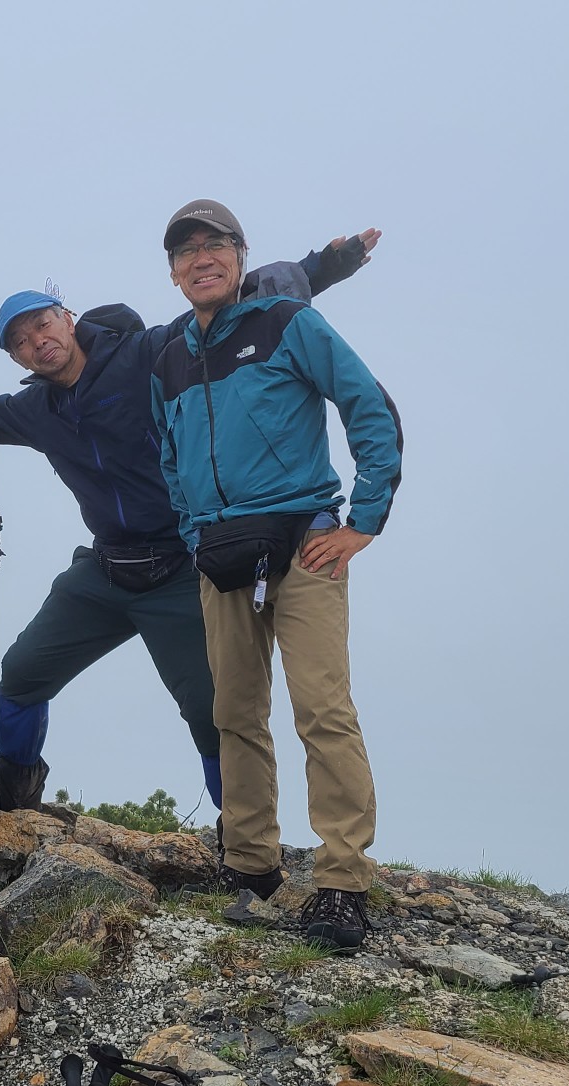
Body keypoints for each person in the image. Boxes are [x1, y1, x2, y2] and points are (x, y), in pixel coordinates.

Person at [0, 232, 376, 821]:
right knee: (23, 672)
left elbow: (240, 300)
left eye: (43, 324)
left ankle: (241, 836)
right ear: (16, 357)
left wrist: (328, 265)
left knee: (211, 710)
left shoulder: (147, 354)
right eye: (21, 342)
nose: (37, 342)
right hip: (105, 569)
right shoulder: (32, 410)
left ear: (67, 318)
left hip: (182, 568)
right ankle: (14, 794)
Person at [147, 200, 402, 952]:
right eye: (185, 250)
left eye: (215, 244)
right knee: (232, 713)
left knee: (322, 709)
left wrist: (365, 518)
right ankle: (253, 868)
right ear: (173, 270)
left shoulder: (287, 322)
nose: (202, 258)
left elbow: (369, 406)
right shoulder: (168, 358)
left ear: (240, 254)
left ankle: (341, 884)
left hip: (305, 544)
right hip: (221, 557)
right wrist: (194, 531)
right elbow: (169, 455)